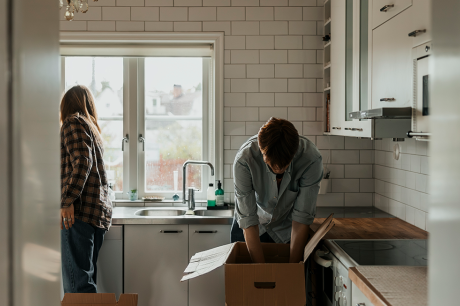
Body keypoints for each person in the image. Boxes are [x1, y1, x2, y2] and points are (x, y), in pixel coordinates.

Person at [231, 117, 323, 263]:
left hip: (287, 230)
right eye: (272, 165)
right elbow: (248, 219)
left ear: (294, 152)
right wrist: (261, 272)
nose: (279, 170)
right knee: (248, 281)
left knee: (288, 280)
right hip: (252, 227)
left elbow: (302, 218)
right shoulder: (245, 160)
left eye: (285, 165)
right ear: (262, 152)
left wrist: (292, 269)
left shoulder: (311, 159)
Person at [60, 85, 112, 293]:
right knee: (85, 283)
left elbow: (82, 162)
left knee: (78, 287)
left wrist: (67, 200)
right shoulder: (90, 127)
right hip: (95, 214)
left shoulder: (72, 122)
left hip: (78, 213)